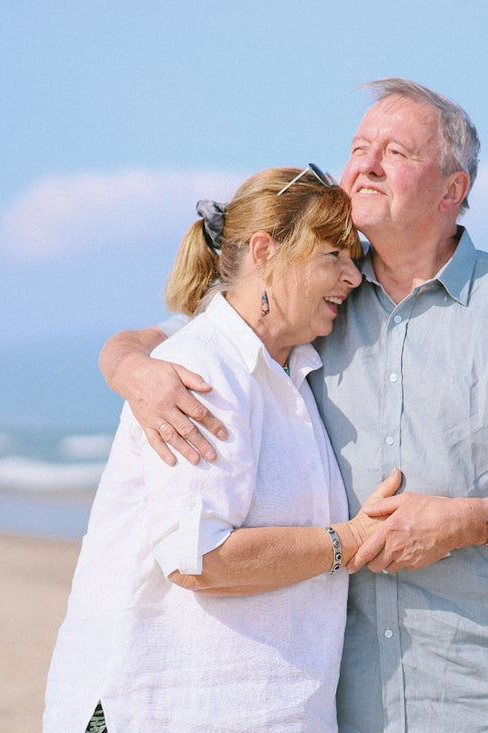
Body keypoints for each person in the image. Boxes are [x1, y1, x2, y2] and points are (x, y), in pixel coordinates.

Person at [100, 79, 488, 733]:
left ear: (451, 190)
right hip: (337, 702)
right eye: (358, 147)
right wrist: (131, 369)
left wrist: (471, 521)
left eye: (396, 152)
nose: (366, 165)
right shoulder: (320, 297)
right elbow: (180, 336)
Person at [45, 166, 402, 732]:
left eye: (353, 258)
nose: (352, 278)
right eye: (333, 255)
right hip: (166, 708)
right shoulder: (204, 370)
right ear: (264, 250)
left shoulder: (292, 372)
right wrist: (348, 543)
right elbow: (198, 556)